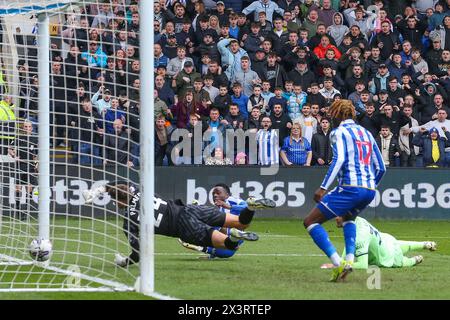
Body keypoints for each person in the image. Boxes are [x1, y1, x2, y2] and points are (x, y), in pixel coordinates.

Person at [82, 181, 275, 267]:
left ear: (119, 202)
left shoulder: (129, 222)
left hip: (183, 227)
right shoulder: (137, 190)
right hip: (189, 209)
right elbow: (119, 186)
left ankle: (233, 236)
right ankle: (250, 207)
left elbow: (138, 254)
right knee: (240, 222)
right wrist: (100, 189)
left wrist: (124, 262)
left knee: (227, 244)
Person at [303, 99, 386, 282]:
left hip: (350, 187)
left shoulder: (338, 132)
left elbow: (339, 160)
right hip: (370, 189)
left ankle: (337, 262)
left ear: (338, 114)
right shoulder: (366, 133)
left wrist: (323, 187)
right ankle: (349, 260)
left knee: (310, 221)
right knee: (348, 218)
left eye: (333, 113)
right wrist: (370, 185)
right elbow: (381, 168)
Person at [320, 216, 437, 270]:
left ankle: (415, 259)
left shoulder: (360, 236)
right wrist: (341, 261)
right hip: (387, 239)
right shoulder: (358, 220)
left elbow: (362, 265)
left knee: (405, 262)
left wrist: (338, 265)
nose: (336, 218)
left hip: (387, 256)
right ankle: (425, 244)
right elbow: (349, 244)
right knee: (402, 245)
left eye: (338, 215)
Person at [179, 183, 252, 259]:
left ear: (227, 195)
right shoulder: (219, 208)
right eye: (213, 193)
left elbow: (247, 207)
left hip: (233, 234)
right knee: (227, 253)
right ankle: (202, 248)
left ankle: (201, 246)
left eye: (218, 193)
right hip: (228, 237)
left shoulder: (231, 200)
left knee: (212, 224)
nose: (215, 195)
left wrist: (230, 207)